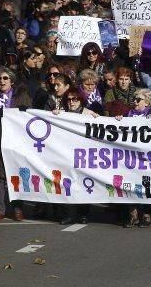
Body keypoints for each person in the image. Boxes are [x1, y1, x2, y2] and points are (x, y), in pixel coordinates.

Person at [0, 67, 32, 222]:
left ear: (11, 81)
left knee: (15, 174)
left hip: (16, 141)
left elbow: (32, 116)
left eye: (5, 78)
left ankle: (17, 209)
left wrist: (24, 111)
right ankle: (0, 209)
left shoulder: (21, 96)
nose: (1, 81)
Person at [53, 87, 98, 224]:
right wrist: (53, 114)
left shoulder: (89, 114)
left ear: (81, 100)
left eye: (75, 99)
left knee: (83, 183)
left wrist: (98, 119)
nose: (72, 102)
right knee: (65, 183)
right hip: (66, 155)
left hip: (84, 155)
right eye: (69, 99)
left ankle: (83, 214)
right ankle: (68, 214)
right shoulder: (61, 114)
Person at [116, 88, 151, 228]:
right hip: (131, 156)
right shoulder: (129, 114)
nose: (135, 102)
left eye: (138, 99)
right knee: (129, 183)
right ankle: (133, 215)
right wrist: (119, 120)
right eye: (134, 99)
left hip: (147, 156)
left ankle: (147, 215)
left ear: (147, 102)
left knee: (146, 184)